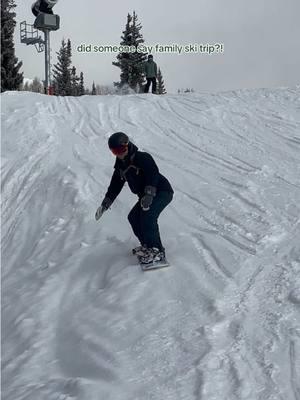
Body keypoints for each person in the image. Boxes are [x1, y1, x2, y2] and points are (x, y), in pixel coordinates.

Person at [95, 132, 174, 265]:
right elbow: (115, 186)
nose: (119, 153)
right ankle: (147, 246)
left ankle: (157, 251)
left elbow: (153, 174)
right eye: (115, 151)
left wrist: (149, 193)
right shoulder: (120, 167)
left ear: (127, 145)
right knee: (133, 217)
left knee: (148, 216)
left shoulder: (142, 157)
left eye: (121, 149)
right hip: (145, 196)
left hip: (161, 192)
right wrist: (105, 204)